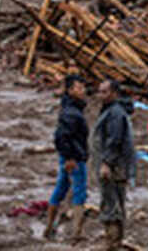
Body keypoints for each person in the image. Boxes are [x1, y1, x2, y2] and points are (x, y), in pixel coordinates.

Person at [92, 79, 135, 251]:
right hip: (116, 165)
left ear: (114, 93)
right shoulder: (112, 110)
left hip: (114, 166)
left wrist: (106, 163)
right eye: (99, 91)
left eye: (104, 92)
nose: (100, 95)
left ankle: (112, 241)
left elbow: (114, 141)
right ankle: (115, 239)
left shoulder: (115, 113)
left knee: (111, 201)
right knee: (115, 200)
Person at [46, 74, 89, 240]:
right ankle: (77, 233)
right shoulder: (72, 113)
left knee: (61, 188)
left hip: (69, 155)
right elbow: (62, 137)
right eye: (79, 88)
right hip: (74, 157)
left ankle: (50, 228)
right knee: (79, 192)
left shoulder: (70, 108)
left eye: (83, 87)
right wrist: (71, 157)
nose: (82, 91)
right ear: (70, 90)